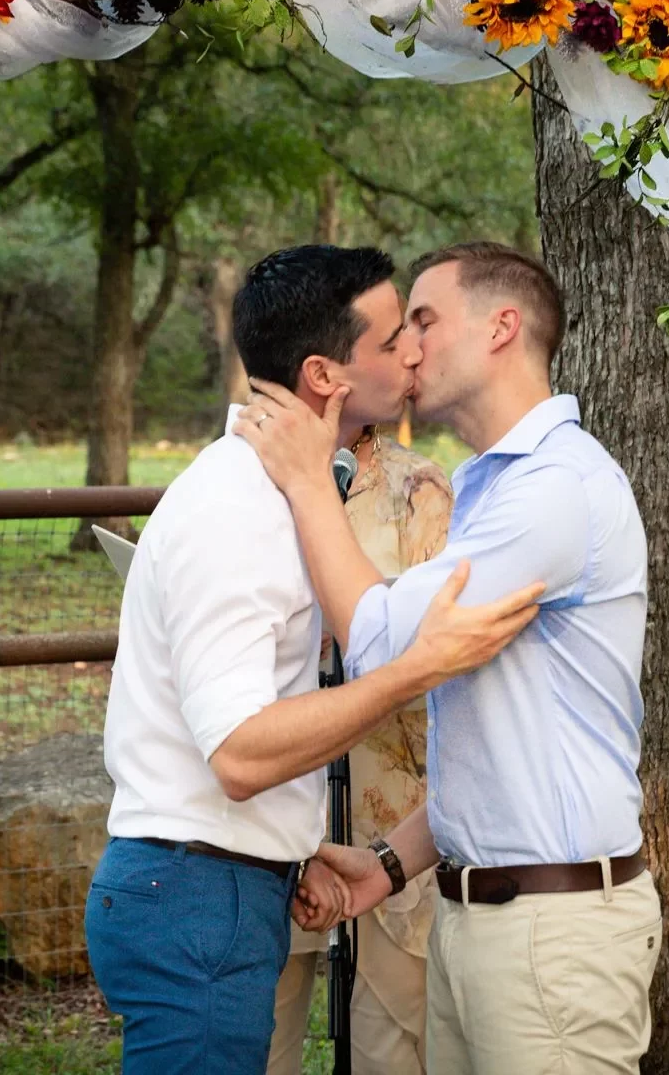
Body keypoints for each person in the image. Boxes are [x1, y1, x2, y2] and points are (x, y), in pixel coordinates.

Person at [85, 244, 545, 1075]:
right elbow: (238, 751)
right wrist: (416, 666)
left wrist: (296, 850)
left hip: (225, 887)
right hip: (196, 898)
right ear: (324, 376)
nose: (410, 349)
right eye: (388, 338)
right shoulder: (236, 510)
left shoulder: (275, 495)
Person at [237, 241, 659, 1075]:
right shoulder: (485, 488)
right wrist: (390, 865)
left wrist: (311, 482)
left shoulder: (554, 488)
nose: (409, 348)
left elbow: (388, 643)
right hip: (481, 920)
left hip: (552, 938)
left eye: (424, 321)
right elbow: (498, 739)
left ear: (503, 328)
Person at [267, 428, 452, 1075]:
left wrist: (358, 641)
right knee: (261, 1042)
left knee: (389, 1047)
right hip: (276, 810)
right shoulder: (250, 479)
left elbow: (447, 654)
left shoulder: (420, 492)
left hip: (391, 819)